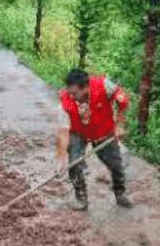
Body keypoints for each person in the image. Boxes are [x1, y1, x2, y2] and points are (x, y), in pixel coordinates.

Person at [56, 68, 132, 210]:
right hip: (78, 132)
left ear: (85, 87)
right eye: (69, 92)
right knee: (74, 165)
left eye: (75, 93)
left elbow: (123, 101)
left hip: (103, 132)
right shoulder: (66, 98)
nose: (71, 96)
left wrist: (119, 125)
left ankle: (120, 194)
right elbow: (62, 130)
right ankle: (81, 198)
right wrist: (61, 159)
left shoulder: (104, 86)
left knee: (116, 166)